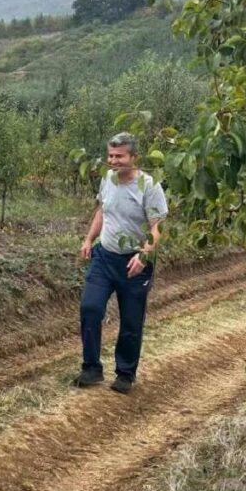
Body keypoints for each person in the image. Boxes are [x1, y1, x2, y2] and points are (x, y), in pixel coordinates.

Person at [75, 132, 168, 395]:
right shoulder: (108, 179)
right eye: (110, 155)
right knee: (90, 307)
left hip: (135, 262)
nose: (113, 161)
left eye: (119, 156)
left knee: (131, 319)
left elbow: (158, 225)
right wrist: (88, 239)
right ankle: (91, 368)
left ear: (133, 157)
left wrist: (144, 255)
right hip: (104, 256)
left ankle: (125, 374)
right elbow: (102, 210)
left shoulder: (149, 186)